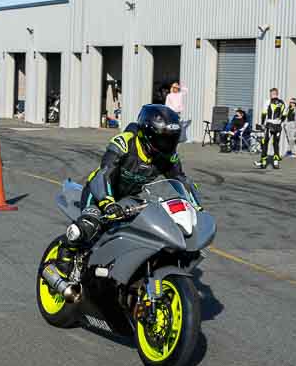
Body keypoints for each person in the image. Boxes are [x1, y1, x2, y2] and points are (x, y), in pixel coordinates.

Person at [41, 104, 195, 301]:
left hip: (129, 198)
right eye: (163, 139)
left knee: (145, 229)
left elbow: (181, 181)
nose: (168, 144)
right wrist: (107, 203)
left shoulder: (168, 155)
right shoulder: (124, 142)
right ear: (148, 134)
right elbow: (104, 173)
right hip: (100, 191)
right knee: (91, 224)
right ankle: (64, 258)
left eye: (171, 139)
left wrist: (195, 208)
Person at [254, 88, 287, 169]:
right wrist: (280, 121)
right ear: (277, 93)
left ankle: (264, 162)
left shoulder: (268, 102)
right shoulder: (283, 102)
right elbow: (284, 115)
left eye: (270, 93)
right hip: (278, 125)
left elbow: (264, 113)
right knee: (276, 143)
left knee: (265, 142)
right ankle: (276, 162)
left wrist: (262, 123)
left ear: (272, 94)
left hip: (269, 124)